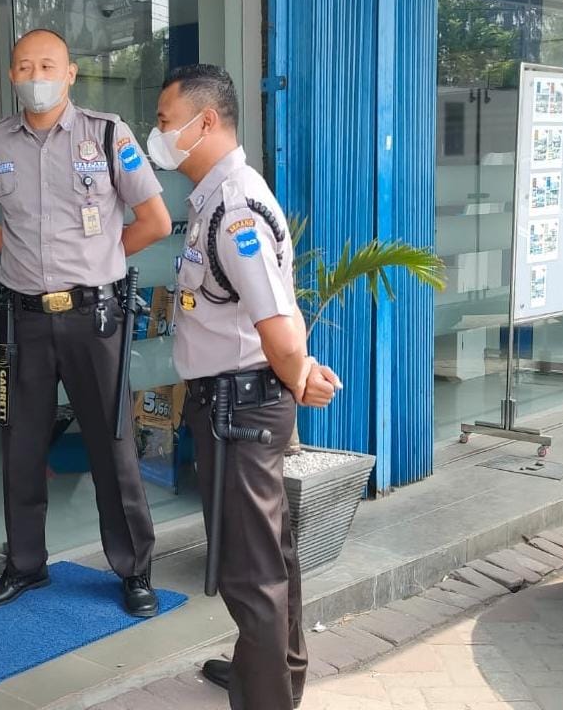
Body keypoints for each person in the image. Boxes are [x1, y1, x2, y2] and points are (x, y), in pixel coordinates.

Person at [0, 28, 172, 616]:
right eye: (25, 66)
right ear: (12, 75)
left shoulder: (107, 134)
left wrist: (100, 258)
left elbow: (155, 220)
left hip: (94, 317)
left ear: (71, 73)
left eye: (48, 65)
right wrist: (19, 255)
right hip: (24, 319)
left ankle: (134, 570)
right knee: (21, 446)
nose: (37, 77)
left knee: (112, 446)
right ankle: (25, 565)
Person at [156, 64, 341, 710]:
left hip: (240, 409)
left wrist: (299, 372)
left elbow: (276, 322)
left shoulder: (234, 207)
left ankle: (266, 695)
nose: (159, 134)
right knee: (270, 556)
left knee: (251, 570)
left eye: (165, 121)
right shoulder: (217, 196)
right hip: (239, 403)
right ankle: (273, 675)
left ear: (205, 121)